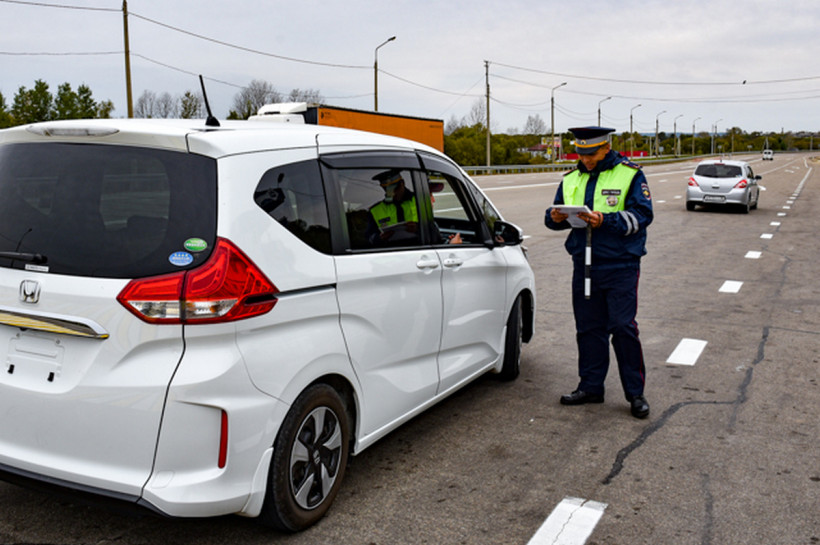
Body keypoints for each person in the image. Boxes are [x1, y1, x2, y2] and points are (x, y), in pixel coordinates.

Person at [544, 127, 653, 418]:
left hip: (620, 264)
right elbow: (554, 216)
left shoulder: (630, 174)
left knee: (623, 327)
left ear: (606, 148)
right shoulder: (571, 177)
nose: (586, 159)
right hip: (584, 264)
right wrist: (554, 217)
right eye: (581, 154)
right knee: (588, 328)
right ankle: (591, 387)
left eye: (591, 154)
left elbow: (643, 215)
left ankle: (635, 393)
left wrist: (605, 220)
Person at [368, 169, 460, 245]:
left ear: (402, 183)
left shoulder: (420, 201)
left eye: (395, 189)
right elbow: (368, 240)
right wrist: (379, 238)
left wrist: (418, 229)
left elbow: (434, 239)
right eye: (387, 190)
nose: (392, 193)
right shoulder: (376, 210)